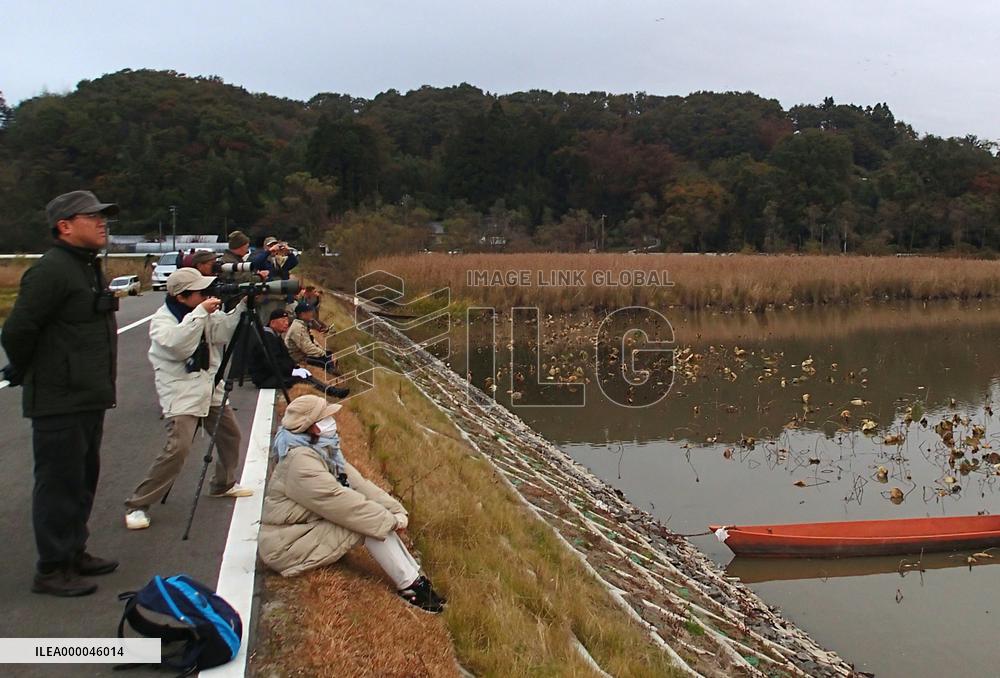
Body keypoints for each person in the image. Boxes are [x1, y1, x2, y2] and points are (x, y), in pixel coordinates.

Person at [1, 190, 120, 597]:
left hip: (87, 395)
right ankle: (51, 568)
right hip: (60, 399)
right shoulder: (52, 270)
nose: (103, 222)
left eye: (103, 216)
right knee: (58, 484)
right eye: (93, 217)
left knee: (83, 478)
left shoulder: (86, 267)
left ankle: (74, 552)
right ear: (64, 226)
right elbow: (17, 331)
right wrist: (34, 370)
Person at [258, 395, 446, 613]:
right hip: (285, 547)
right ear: (311, 428)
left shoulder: (323, 451)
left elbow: (359, 484)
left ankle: (416, 579)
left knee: (375, 519)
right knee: (365, 523)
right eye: (325, 418)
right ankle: (411, 587)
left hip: (302, 532)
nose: (332, 422)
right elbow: (341, 502)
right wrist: (389, 520)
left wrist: (395, 510)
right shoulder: (300, 464)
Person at [124, 268, 253, 530]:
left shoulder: (203, 312)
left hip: (209, 386)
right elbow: (180, 344)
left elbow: (223, 333)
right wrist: (200, 313)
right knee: (178, 449)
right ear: (182, 297)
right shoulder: (163, 321)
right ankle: (138, 504)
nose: (207, 294)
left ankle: (222, 484)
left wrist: (243, 307)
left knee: (231, 436)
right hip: (181, 391)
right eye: (200, 292)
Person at [248, 309, 349, 398]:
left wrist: (295, 368)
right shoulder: (267, 337)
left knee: (306, 376)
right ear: (273, 322)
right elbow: (273, 362)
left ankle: (331, 391)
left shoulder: (274, 335)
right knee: (299, 379)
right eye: (283, 321)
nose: (286, 323)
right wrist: (291, 371)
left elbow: (285, 358)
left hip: (274, 373)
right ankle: (331, 392)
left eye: (287, 320)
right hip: (266, 378)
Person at [285, 302, 337, 374]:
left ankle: (334, 373)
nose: (312, 313)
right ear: (302, 314)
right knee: (325, 360)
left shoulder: (302, 324)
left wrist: (323, 351)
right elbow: (307, 347)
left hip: (302, 354)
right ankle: (332, 375)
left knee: (328, 354)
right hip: (298, 358)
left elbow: (311, 341)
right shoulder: (298, 328)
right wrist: (323, 353)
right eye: (309, 311)